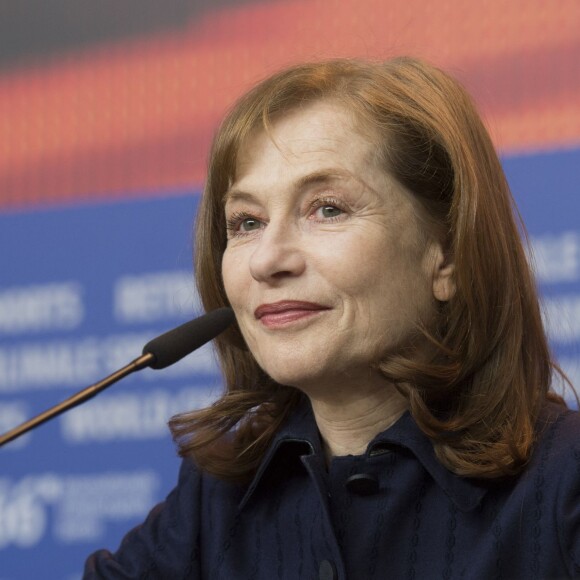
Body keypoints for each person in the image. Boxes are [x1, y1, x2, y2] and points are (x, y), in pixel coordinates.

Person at [84, 57, 580, 579]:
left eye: (327, 209)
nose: (267, 259)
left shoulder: (564, 483)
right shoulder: (215, 496)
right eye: (246, 222)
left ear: (449, 255)